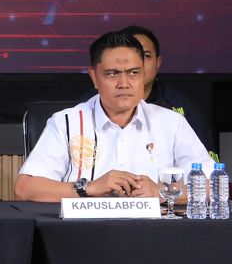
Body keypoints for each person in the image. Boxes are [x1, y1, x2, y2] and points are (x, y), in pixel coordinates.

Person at [15, 29, 206, 201]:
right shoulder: (66, 122)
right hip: (85, 227)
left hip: (153, 227)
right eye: (113, 74)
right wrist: (90, 187)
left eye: (133, 73)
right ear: (94, 77)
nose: (124, 84)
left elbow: (212, 185)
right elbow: (25, 189)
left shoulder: (171, 123)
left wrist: (162, 192)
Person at [119, 24, 216, 157]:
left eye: (146, 55)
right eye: (130, 55)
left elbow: (205, 165)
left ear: (158, 63)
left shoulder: (183, 109)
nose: (138, 63)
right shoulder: (92, 106)